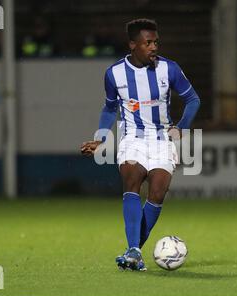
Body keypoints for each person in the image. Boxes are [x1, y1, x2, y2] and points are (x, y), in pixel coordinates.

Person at [81, 19, 200, 271]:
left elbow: (193, 99)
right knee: (132, 178)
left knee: (157, 191)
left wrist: (181, 126)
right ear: (133, 45)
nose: (154, 47)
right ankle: (134, 249)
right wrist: (101, 138)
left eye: (156, 42)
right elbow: (110, 107)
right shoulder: (114, 73)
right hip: (132, 138)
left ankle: (132, 252)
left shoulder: (170, 69)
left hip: (162, 139)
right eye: (148, 43)